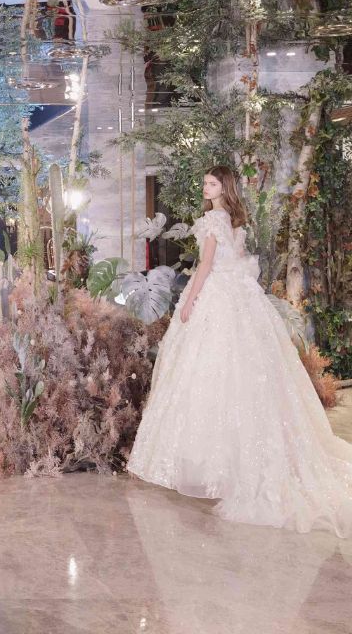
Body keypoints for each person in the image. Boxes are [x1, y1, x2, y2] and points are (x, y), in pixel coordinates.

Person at [127, 165, 352, 537]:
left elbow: (206, 266)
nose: (206, 186)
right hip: (242, 299)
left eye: (212, 183)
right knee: (246, 376)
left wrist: (190, 301)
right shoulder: (234, 220)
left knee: (207, 373)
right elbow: (243, 264)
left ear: (224, 188)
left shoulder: (214, 220)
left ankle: (213, 467)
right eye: (205, 182)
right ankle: (235, 463)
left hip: (218, 297)